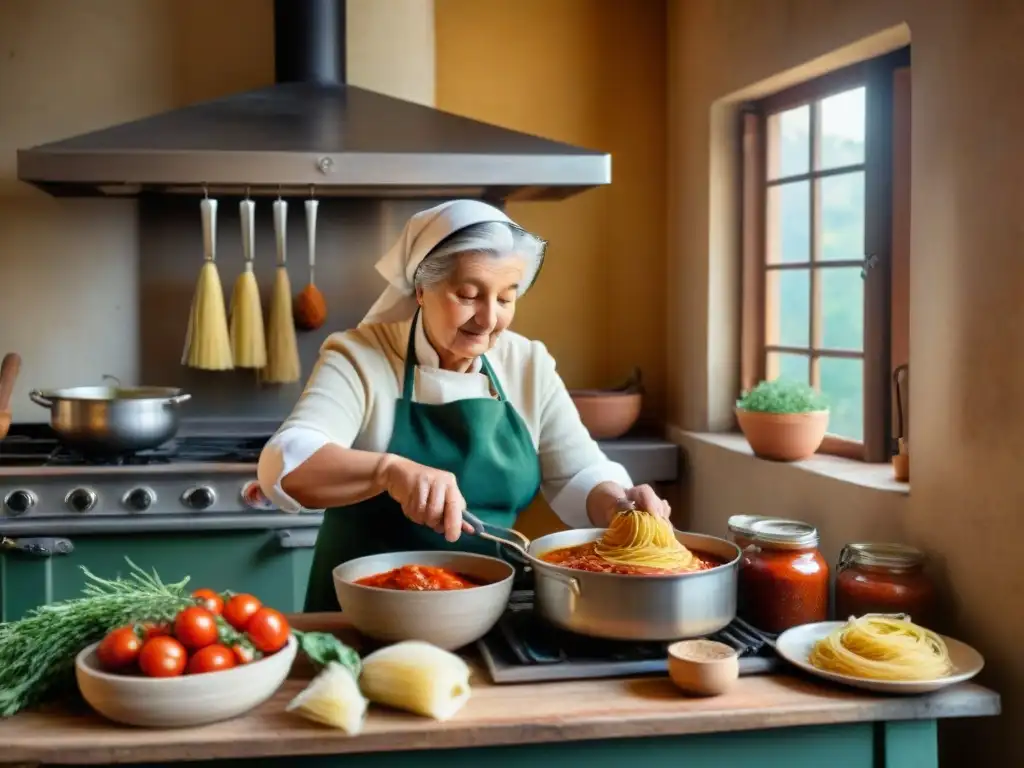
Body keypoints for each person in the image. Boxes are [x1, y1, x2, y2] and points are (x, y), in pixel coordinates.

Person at [257, 199, 672, 611]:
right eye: (469, 295)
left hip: (485, 608)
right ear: (421, 289)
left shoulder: (527, 363)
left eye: (506, 299)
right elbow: (286, 461)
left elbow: (578, 471)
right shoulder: (361, 356)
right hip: (365, 612)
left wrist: (620, 506)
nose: (488, 318)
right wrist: (390, 470)